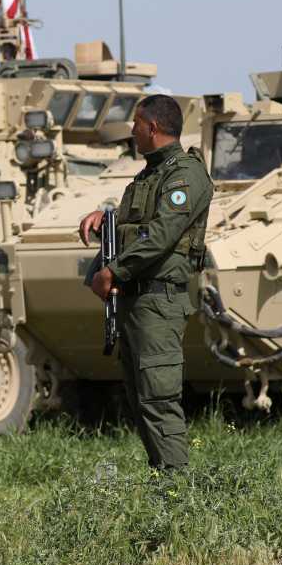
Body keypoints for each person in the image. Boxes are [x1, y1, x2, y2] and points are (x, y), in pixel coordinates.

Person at [78, 95, 213, 473]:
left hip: (158, 303)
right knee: (140, 401)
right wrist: (106, 218)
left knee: (159, 400)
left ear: (152, 127)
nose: (132, 131)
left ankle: (176, 495)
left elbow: (162, 234)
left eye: (136, 124)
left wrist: (114, 272)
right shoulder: (149, 176)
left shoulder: (185, 175)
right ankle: (163, 487)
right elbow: (135, 223)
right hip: (135, 306)